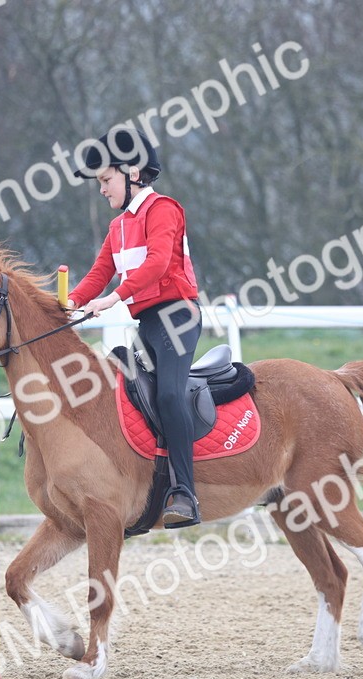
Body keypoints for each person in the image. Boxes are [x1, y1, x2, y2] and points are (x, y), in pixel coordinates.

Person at [69, 128, 202, 528]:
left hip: (178, 317)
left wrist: (115, 298)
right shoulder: (117, 227)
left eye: (106, 180)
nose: (102, 190)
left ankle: (186, 494)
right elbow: (97, 275)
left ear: (133, 173)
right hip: (147, 323)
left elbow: (159, 263)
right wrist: (65, 305)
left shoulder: (164, 209)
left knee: (168, 394)